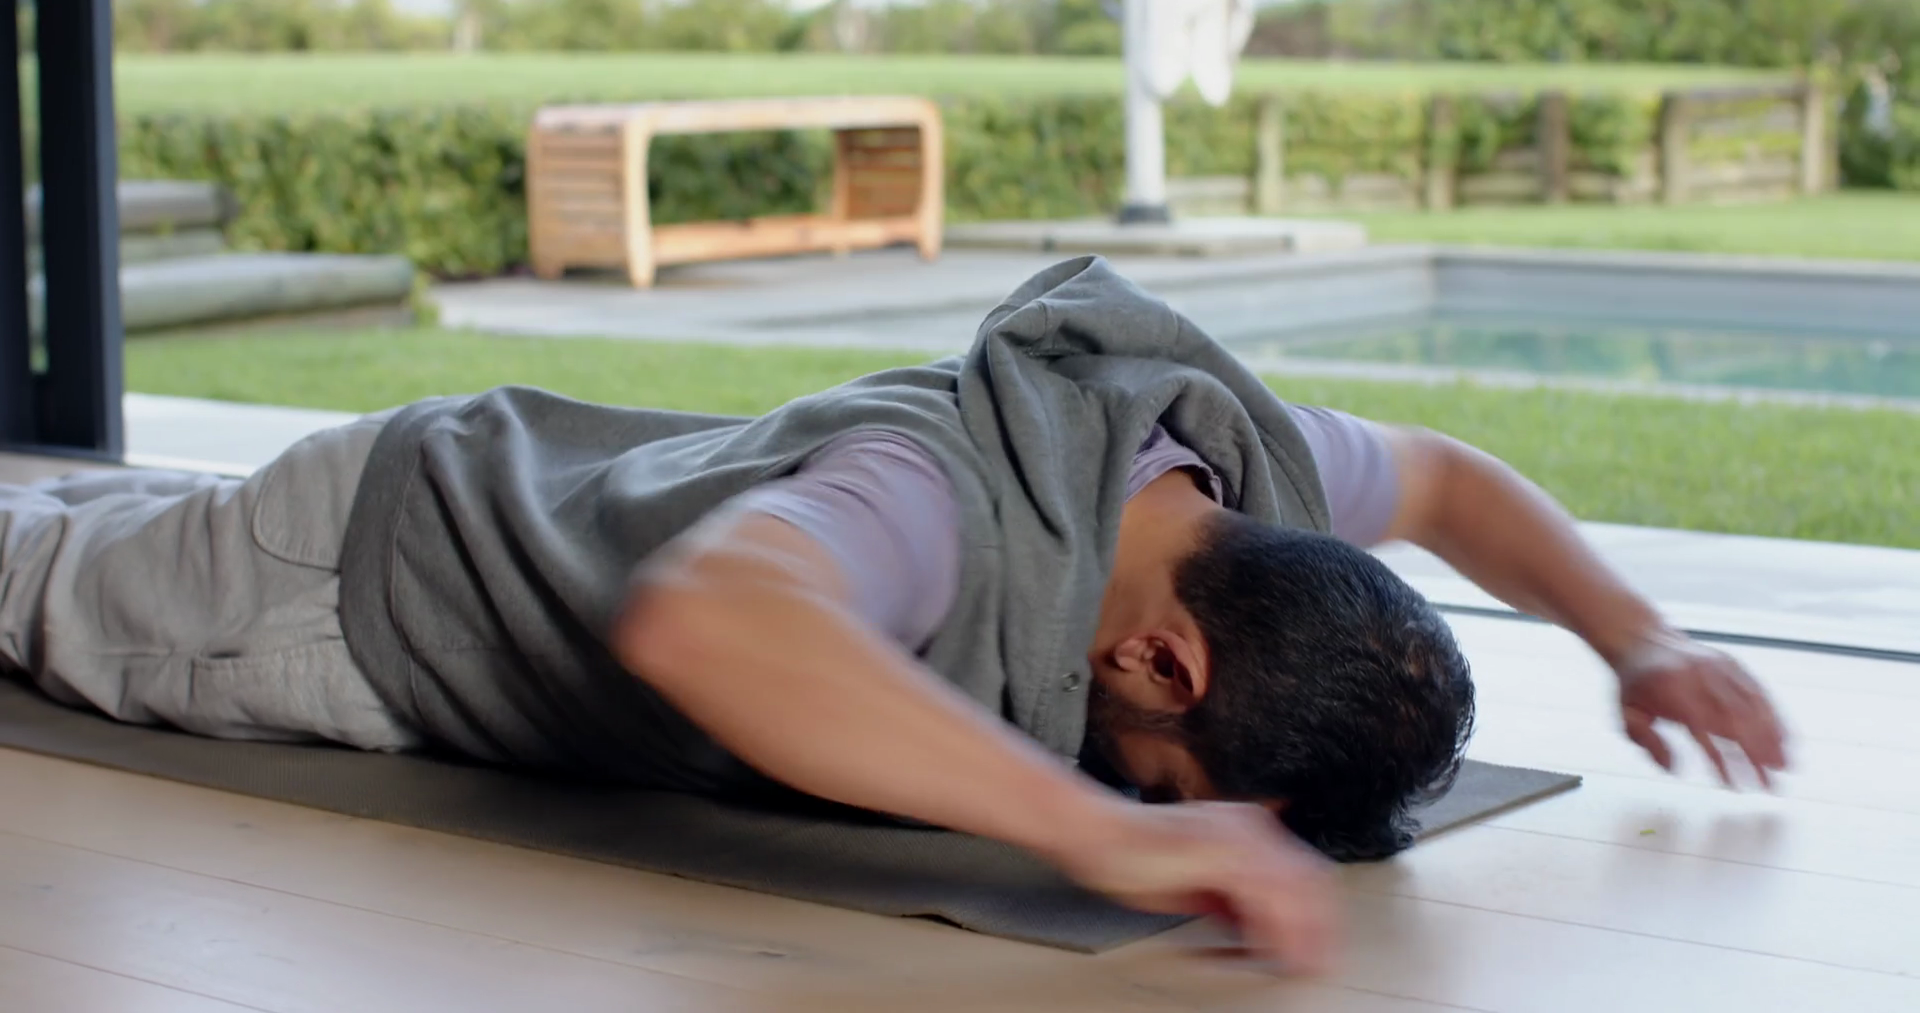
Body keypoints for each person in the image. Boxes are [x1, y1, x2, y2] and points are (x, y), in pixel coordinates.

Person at [0, 257, 1786, 973]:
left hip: (489, 462)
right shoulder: (936, 505)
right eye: (1171, 778)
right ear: (1161, 660)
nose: (1153, 802)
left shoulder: (1238, 487)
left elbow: (1452, 481)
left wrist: (1638, 639)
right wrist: (1105, 832)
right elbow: (710, 626)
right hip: (359, 591)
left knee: (62, 508)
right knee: (39, 587)